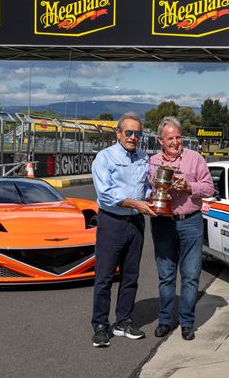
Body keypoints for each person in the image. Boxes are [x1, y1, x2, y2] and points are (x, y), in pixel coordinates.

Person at [91, 112, 157, 347]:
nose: (132, 137)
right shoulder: (104, 157)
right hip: (112, 222)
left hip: (136, 222)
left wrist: (153, 197)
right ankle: (100, 325)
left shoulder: (143, 158)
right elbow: (105, 194)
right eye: (128, 132)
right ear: (118, 133)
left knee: (131, 276)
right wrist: (135, 203)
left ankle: (123, 321)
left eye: (137, 133)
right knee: (105, 276)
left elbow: (146, 187)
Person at [150, 116, 214, 341]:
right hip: (162, 223)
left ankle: (187, 322)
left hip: (191, 221)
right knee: (166, 275)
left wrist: (189, 186)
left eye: (178, 137)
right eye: (170, 138)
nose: (175, 142)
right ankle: (165, 320)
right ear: (160, 140)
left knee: (190, 275)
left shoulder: (195, 159)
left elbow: (209, 188)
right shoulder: (152, 161)